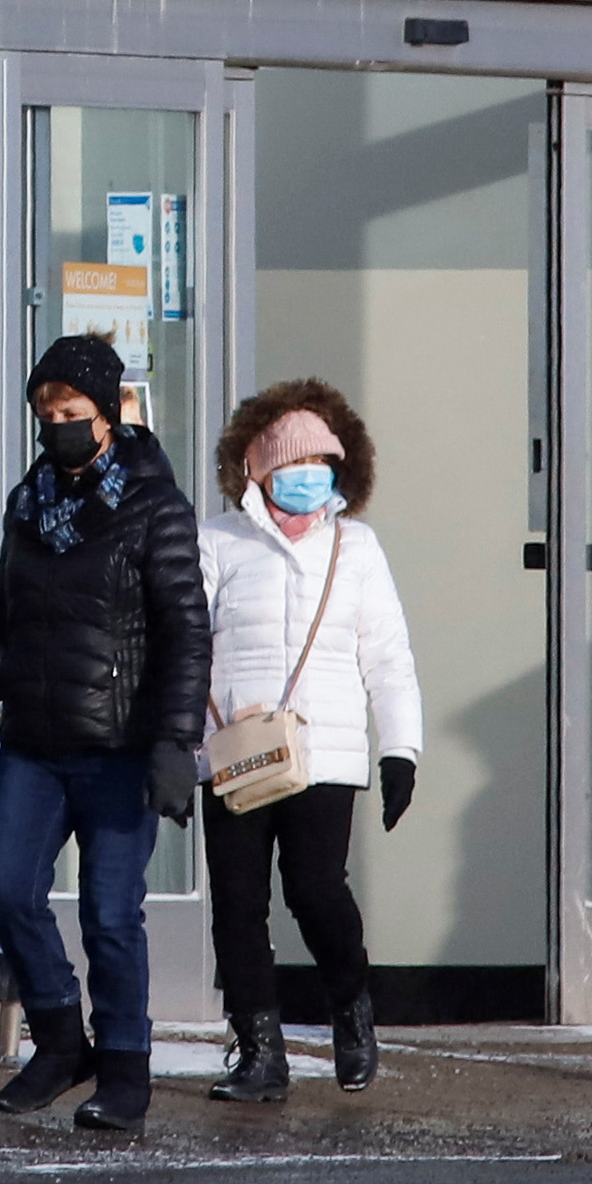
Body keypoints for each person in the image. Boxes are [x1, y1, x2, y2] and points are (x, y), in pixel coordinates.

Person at [0, 335, 207, 1134]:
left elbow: (185, 631)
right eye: (47, 412)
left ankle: (126, 1067)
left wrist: (173, 741)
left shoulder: (154, 504)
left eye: (73, 413)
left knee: (109, 911)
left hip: (119, 743)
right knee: (8, 886)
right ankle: (62, 1039)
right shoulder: (29, 503)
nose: (59, 425)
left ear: (108, 415)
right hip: (36, 738)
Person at [198, 382, 424, 1106]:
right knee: (237, 901)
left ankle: (350, 1003)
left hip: (325, 754)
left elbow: (388, 656)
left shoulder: (357, 547)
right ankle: (260, 1048)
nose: (309, 476)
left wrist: (401, 751)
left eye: (323, 462)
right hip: (234, 749)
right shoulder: (218, 541)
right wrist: (174, 743)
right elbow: (184, 645)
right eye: (293, 463)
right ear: (257, 470)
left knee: (316, 888)